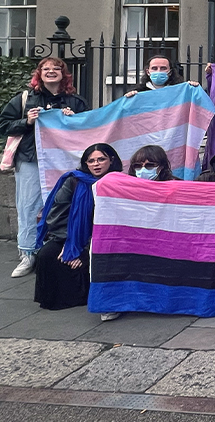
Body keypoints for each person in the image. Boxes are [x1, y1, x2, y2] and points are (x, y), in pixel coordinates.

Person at [0, 57, 89, 278]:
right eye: (45, 69)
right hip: (32, 159)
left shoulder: (76, 101)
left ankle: (65, 250)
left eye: (55, 68)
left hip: (65, 162)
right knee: (28, 206)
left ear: (63, 73)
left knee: (66, 206)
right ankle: (28, 253)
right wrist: (26, 122)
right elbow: (3, 125)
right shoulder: (24, 99)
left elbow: (89, 129)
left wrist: (75, 119)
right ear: (39, 74)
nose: (51, 72)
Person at [33, 143, 122, 312]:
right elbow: (56, 215)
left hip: (103, 239)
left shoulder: (118, 183)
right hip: (69, 235)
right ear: (85, 164)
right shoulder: (73, 181)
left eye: (101, 159)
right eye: (91, 161)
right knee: (46, 255)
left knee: (89, 258)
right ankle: (58, 300)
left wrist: (83, 248)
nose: (96, 164)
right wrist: (71, 244)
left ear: (111, 160)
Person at [124, 55, 200, 97]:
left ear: (170, 72)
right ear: (148, 72)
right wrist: (129, 99)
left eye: (163, 68)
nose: (159, 71)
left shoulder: (180, 91)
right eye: (154, 68)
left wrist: (193, 89)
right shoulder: (138, 93)